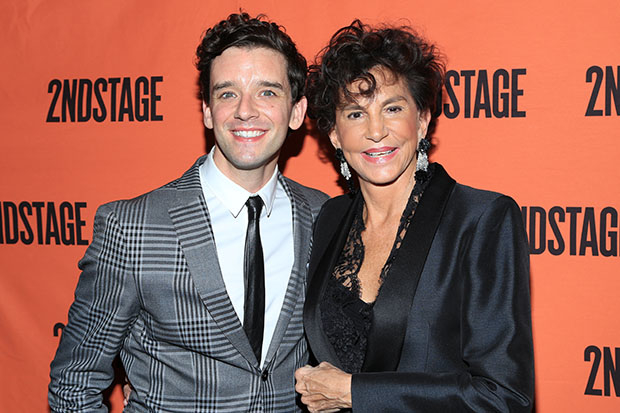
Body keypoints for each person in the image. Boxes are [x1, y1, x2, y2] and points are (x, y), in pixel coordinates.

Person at [49, 12, 328, 412]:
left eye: (267, 92)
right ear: (208, 111)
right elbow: (75, 382)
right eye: (227, 93)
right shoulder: (132, 227)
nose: (245, 111)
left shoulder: (325, 217)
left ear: (298, 112)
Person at [295, 20, 534, 412]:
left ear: (422, 119)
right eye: (355, 114)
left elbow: (504, 397)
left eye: (392, 108)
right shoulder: (329, 218)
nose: (376, 131)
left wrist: (353, 393)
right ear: (335, 135)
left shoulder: (481, 220)